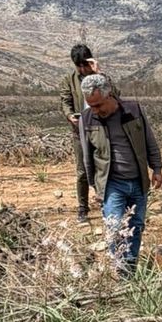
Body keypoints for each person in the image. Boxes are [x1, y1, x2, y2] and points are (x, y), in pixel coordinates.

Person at [80, 74, 162, 275]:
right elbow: (87, 156)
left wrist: (157, 168)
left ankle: (130, 270)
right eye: (92, 106)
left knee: (135, 227)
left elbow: (148, 140)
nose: (96, 110)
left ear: (110, 96)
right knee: (114, 228)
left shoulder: (132, 110)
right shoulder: (87, 118)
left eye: (99, 105)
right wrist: (95, 187)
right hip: (111, 184)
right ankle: (119, 270)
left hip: (138, 181)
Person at [59, 44, 119, 223]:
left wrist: (99, 74)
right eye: (79, 66)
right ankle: (82, 208)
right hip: (81, 131)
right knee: (82, 171)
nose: (83, 69)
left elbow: (116, 95)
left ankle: (106, 204)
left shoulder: (101, 79)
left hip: (103, 130)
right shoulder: (69, 80)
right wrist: (70, 116)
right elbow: (65, 101)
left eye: (86, 64)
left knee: (105, 167)